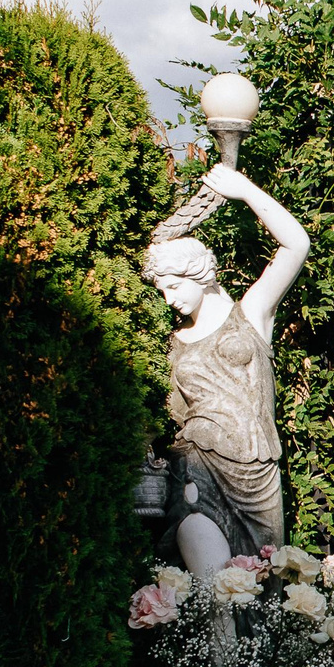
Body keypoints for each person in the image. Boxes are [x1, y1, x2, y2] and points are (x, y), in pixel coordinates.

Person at [141, 164, 311, 577]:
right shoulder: (171, 344)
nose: (168, 299)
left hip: (256, 472)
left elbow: (296, 245)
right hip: (196, 470)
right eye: (161, 289)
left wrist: (244, 190)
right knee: (216, 586)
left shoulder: (251, 314)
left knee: (261, 588)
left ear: (197, 272)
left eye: (174, 285)